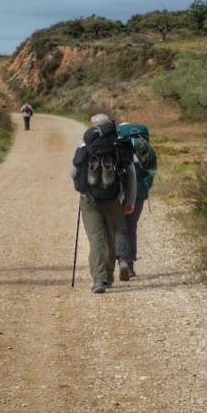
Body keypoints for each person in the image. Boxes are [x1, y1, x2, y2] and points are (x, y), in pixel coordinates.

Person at [70, 113, 136, 293]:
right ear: (109, 125)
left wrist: (82, 187)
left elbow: (73, 172)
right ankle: (108, 276)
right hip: (114, 198)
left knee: (96, 240)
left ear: (92, 126)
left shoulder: (84, 145)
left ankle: (99, 280)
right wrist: (129, 200)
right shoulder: (119, 144)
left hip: (89, 200)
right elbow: (130, 174)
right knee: (111, 237)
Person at [115, 122, 158, 281]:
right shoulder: (147, 148)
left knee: (120, 229)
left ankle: (123, 261)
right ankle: (131, 267)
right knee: (131, 227)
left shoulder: (119, 146)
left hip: (121, 192)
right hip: (139, 193)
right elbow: (151, 173)